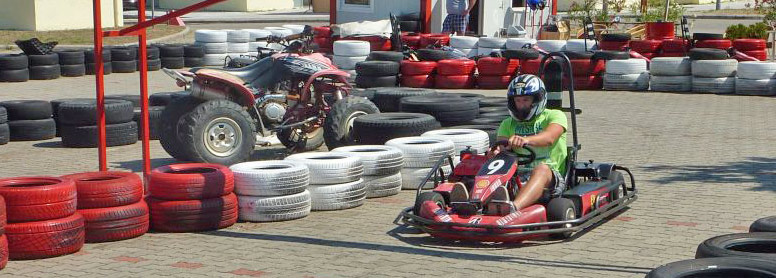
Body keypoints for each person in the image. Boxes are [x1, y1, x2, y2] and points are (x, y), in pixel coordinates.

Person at [450, 74, 568, 212]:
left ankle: (513, 207)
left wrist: (526, 140)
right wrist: (496, 153)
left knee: (541, 168)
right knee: (493, 168)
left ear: (537, 100)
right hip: (517, 175)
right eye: (518, 101)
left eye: (526, 100)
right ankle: (472, 204)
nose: (522, 105)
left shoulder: (554, 115)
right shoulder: (507, 123)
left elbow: (549, 138)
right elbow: (502, 148)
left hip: (551, 178)